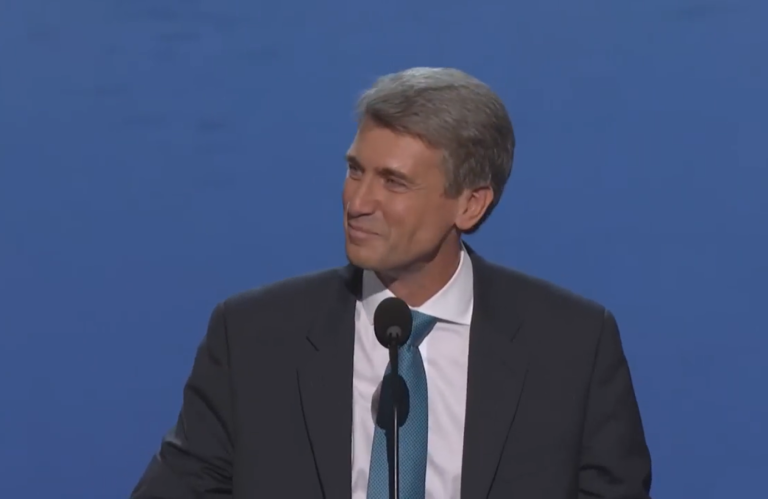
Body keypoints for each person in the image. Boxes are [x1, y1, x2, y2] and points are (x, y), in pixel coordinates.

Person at [131, 67, 652, 499]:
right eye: (356, 171)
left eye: (394, 182)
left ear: (470, 204)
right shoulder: (252, 337)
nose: (358, 202)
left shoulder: (572, 347)